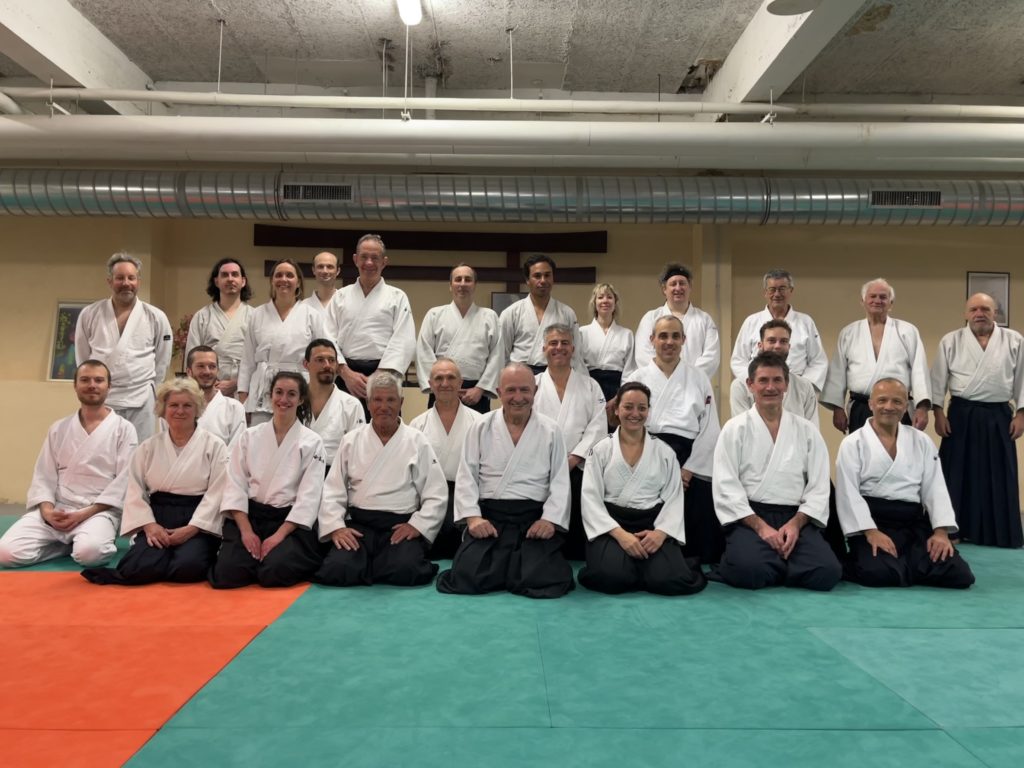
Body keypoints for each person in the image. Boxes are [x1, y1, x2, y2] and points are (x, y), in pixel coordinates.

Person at [436, 363, 574, 598]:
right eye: (511, 390)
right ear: (499, 393)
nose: (518, 397)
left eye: (524, 390)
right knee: (467, 575)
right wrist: (473, 518)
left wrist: (550, 520)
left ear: (535, 391)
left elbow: (560, 480)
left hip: (533, 521)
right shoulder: (480, 426)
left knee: (544, 578)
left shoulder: (551, 430)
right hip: (491, 519)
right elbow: (466, 475)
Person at [712, 353, 842, 591]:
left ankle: (775, 563)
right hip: (751, 517)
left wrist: (796, 524)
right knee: (750, 571)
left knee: (827, 573)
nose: (770, 387)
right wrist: (762, 528)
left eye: (777, 380)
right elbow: (726, 485)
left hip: (795, 517)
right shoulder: (734, 429)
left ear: (786, 385)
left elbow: (819, 485)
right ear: (750, 385)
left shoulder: (807, 430)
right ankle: (778, 563)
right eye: (763, 381)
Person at [81, 378, 227, 585]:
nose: (180, 411)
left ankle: (180, 556)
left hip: (197, 520)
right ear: (162, 410)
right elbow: (135, 490)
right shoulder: (148, 448)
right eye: (173, 405)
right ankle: (160, 557)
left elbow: (218, 491)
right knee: (138, 569)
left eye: (187, 405)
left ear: (197, 409)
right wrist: (149, 526)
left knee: (187, 569)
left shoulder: (215, 446)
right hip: (158, 517)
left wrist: (192, 528)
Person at [836, 378, 975, 588]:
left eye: (897, 402)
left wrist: (940, 532)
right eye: (882, 400)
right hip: (873, 522)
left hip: (913, 524)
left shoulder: (921, 441)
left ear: (906, 406)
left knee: (959, 574)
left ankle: (905, 565)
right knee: (879, 574)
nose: (889, 407)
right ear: (871, 403)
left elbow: (935, 488)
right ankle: (867, 561)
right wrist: (871, 532)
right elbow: (848, 493)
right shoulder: (852, 443)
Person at [314, 371, 447, 587]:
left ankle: (375, 562)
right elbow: (333, 490)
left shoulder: (417, 441)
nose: (384, 407)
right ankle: (369, 562)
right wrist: (337, 527)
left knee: (407, 570)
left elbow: (436, 493)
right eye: (377, 399)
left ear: (401, 402)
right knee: (338, 569)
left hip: (399, 526)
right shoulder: (351, 440)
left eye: (391, 400)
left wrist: (417, 525)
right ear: (367, 403)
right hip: (360, 526)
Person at [0, 360, 137, 568]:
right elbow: (44, 475)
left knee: (91, 555)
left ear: (109, 386)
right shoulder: (59, 428)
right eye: (85, 380)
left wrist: (84, 513)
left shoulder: (123, 429)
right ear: (75, 386)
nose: (92, 385)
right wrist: (47, 511)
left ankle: (77, 543)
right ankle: (65, 545)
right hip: (60, 507)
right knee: (5, 553)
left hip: (97, 510)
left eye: (99, 380)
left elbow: (124, 480)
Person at [577, 382, 706, 596]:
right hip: (611, 526)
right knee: (612, 579)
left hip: (652, 524)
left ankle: (644, 565)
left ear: (648, 411)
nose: (635, 413)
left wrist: (661, 533)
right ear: (616, 409)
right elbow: (590, 499)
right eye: (628, 407)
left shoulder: (664, 452)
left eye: (642, 408)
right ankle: (629, 565)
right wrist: (620, 535)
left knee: (670, 581)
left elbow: (674, 497)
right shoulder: (600, 450)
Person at [210, 371, 326, 588]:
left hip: (288, 522)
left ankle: (276, 557)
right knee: (227, 574)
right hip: (251, 517)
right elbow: (235, 485)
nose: (284, 400)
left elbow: (308, 497)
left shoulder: (313, 442)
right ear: (270, 395)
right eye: (279, 392)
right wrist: (246, 531)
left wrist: (278, 536)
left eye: (291, 394)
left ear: (301, 399)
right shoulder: (249, 436)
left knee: (273, 573)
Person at [624, 315, 721, 563]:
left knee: (701, 498)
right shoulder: (637, 378)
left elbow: (710, 428)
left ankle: (689, 555)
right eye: (663, 336)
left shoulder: (699, 378)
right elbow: (628, 424)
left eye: (675, 336)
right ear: (652, 340)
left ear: (684, 340)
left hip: (689, 456)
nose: (669, 342)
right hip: (646, 451)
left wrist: (687, 470)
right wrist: (652, 463)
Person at [931, 293, 1024, 548]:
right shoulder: (951, 340)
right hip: (961, 414)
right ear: (966, 313)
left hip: (999, 415)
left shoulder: (1014, 340)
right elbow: (938, 380)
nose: (979, 313)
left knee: (998, 473)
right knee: (956, 472)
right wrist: (938, 413)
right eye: (973, 309)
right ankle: (952, 528)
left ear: (996, 313)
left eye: (985, 309)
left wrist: (1021, 414)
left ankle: (997, 533)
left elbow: (1022, 380)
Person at [75, 252, 172, 441]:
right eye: (120, 278)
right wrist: (91, 385)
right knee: (101, 452)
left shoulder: (155, 316)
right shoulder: (90, 314)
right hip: (103, 398)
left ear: (138, 282)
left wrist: (155, 391)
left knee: (138, 454)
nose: (126, 283)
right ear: (110, 281)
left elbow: (162, 360)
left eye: (131, 278)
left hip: (141, 397)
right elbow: (83, 359)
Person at [533, 324, 607, 559]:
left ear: (573, 348)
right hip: (539, 465)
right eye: (553, 343)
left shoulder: (590, 385)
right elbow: (523, 426)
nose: (559, 348)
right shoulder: (532, 384)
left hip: (578, 466)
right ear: (544, 348)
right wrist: (550, 462)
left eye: (564, 343)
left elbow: (597, 427)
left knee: (577, 520)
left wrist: (573, 459)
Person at [821, 278, 931, 434]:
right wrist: (837, 409)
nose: (877, 300)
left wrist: (922, 408)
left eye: (883, 297)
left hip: (898, 407)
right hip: (861, 406)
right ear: (863, 301)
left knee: (900, 453)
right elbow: (838, 373)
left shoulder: (907, 331)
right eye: (872, 296)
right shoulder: (849, 333)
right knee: (860, 453)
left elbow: (919, 371)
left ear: (891, 303)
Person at [327, 234, 416, 415]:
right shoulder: (340, 297)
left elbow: (403, 340)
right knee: (344, 433)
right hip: (346, 375)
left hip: (384, 376)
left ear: (384, 262)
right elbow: (327, 337)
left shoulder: (397, 297)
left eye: (375, 258)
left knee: (384, 431)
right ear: (355, 259)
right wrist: (345, 372)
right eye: (364, 257)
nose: (369, 263)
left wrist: (379, 376)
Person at [237, 258, 327, 425]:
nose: (283, 279)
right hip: (263, 392)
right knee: (260, 441)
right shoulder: (257, 315)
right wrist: (243, 395)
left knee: (298, 442)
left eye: (289, 275)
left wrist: (318, 392)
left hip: (300, 390)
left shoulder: (311, 315)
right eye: (278, 275)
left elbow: (323, 356)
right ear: (272, 281)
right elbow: (247, 359)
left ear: (298, 282)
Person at [408, 358, 483, 559]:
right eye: (439, 378)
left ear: (460, 383)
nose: (445, 383)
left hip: (466, 497)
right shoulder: (417, 425)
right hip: (428, 498)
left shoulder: (479, 422)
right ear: (430, 384)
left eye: (451, 378)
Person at [416, 263, 502, 415]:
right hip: (441, 389)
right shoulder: (435, 315)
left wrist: (480, 389)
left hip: (476, 393)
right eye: (458, 279)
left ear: (475, 285)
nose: (462, 284)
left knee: (477, 436)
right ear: (450, 285)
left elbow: (497, 355)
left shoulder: (489, 317)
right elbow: (423, 352)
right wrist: (440, 389)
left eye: (468, 279)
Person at [729, 269, 828, 391]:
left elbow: (818, 361)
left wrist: (801, 386)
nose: (777, 294)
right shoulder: (751, 321)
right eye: (772, 289)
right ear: (765, 292)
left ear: (790, 291)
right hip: (760, 390)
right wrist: (755, 383)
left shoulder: (805, 322)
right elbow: (739, 360)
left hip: (796, 389)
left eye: (782, 289)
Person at [499, 254, 583, 373]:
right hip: (520, 373)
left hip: (556, 373)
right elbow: (502, 354)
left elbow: (575, 353)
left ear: (553, 278)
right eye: (537, 276)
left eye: (547, 275)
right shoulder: (511, 313)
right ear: (527, 280)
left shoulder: (567, 313)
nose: (543, 280)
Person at [634, 263, 719, 379]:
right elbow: (643, 354)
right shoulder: (651, 318)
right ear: (664, 289)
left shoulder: (704, 319)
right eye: (673, 284)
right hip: (658, 384)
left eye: (682, 283)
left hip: (693, 384)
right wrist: (664, 376)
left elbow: (711, 357)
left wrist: (688, 377)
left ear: (690, 287)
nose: (678, 288)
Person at [729, 320, 819, 426]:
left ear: (789, 347)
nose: (777, 346)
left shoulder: (804, 386)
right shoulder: (740, 385)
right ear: (760, 345)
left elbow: (812, 432)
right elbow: (742, 429)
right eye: (772, 341)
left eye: (783, 341)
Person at [186, 258, 253, 398]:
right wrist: (211, 382)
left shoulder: (255, 316)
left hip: (244, 389)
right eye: (224, 275)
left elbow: (260, 359)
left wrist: (237, 383)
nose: (230, 279)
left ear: (243, 281)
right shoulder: (202, 316)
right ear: (216, 281)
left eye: (235, 274)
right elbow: (192, 357)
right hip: (208, 386)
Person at [302, 339, 365, 469]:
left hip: (335, 475)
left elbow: (358, 451)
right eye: (320, 360)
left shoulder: (351, 404)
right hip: (298, 472)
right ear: (306, 364)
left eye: (331, 360)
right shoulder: (295, 401)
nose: (327, 365)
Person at [579, 282, 636, 404]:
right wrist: (587, 390)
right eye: (600, 297)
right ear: (595, 303)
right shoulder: (582, 333)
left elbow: (629, 370)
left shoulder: (627, 334)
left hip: (616, 389)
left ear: (615, 303)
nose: (605, 301)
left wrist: (621, 396)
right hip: (588, 386)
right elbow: (578, 365)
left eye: (609, 297)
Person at [186, 345, 246, 446]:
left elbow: (236, 451)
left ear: (218, 370)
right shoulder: (176, 407)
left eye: (212, 366)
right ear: (189, 371)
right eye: (201, 366)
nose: (207, 371)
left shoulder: (234, 408)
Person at [303, 251, 340, 316]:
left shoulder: (346, 303)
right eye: (320, 266)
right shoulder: (303, 306)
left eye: (330, 267)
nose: (325, 271)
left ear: (338, 271)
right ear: (313, 270)